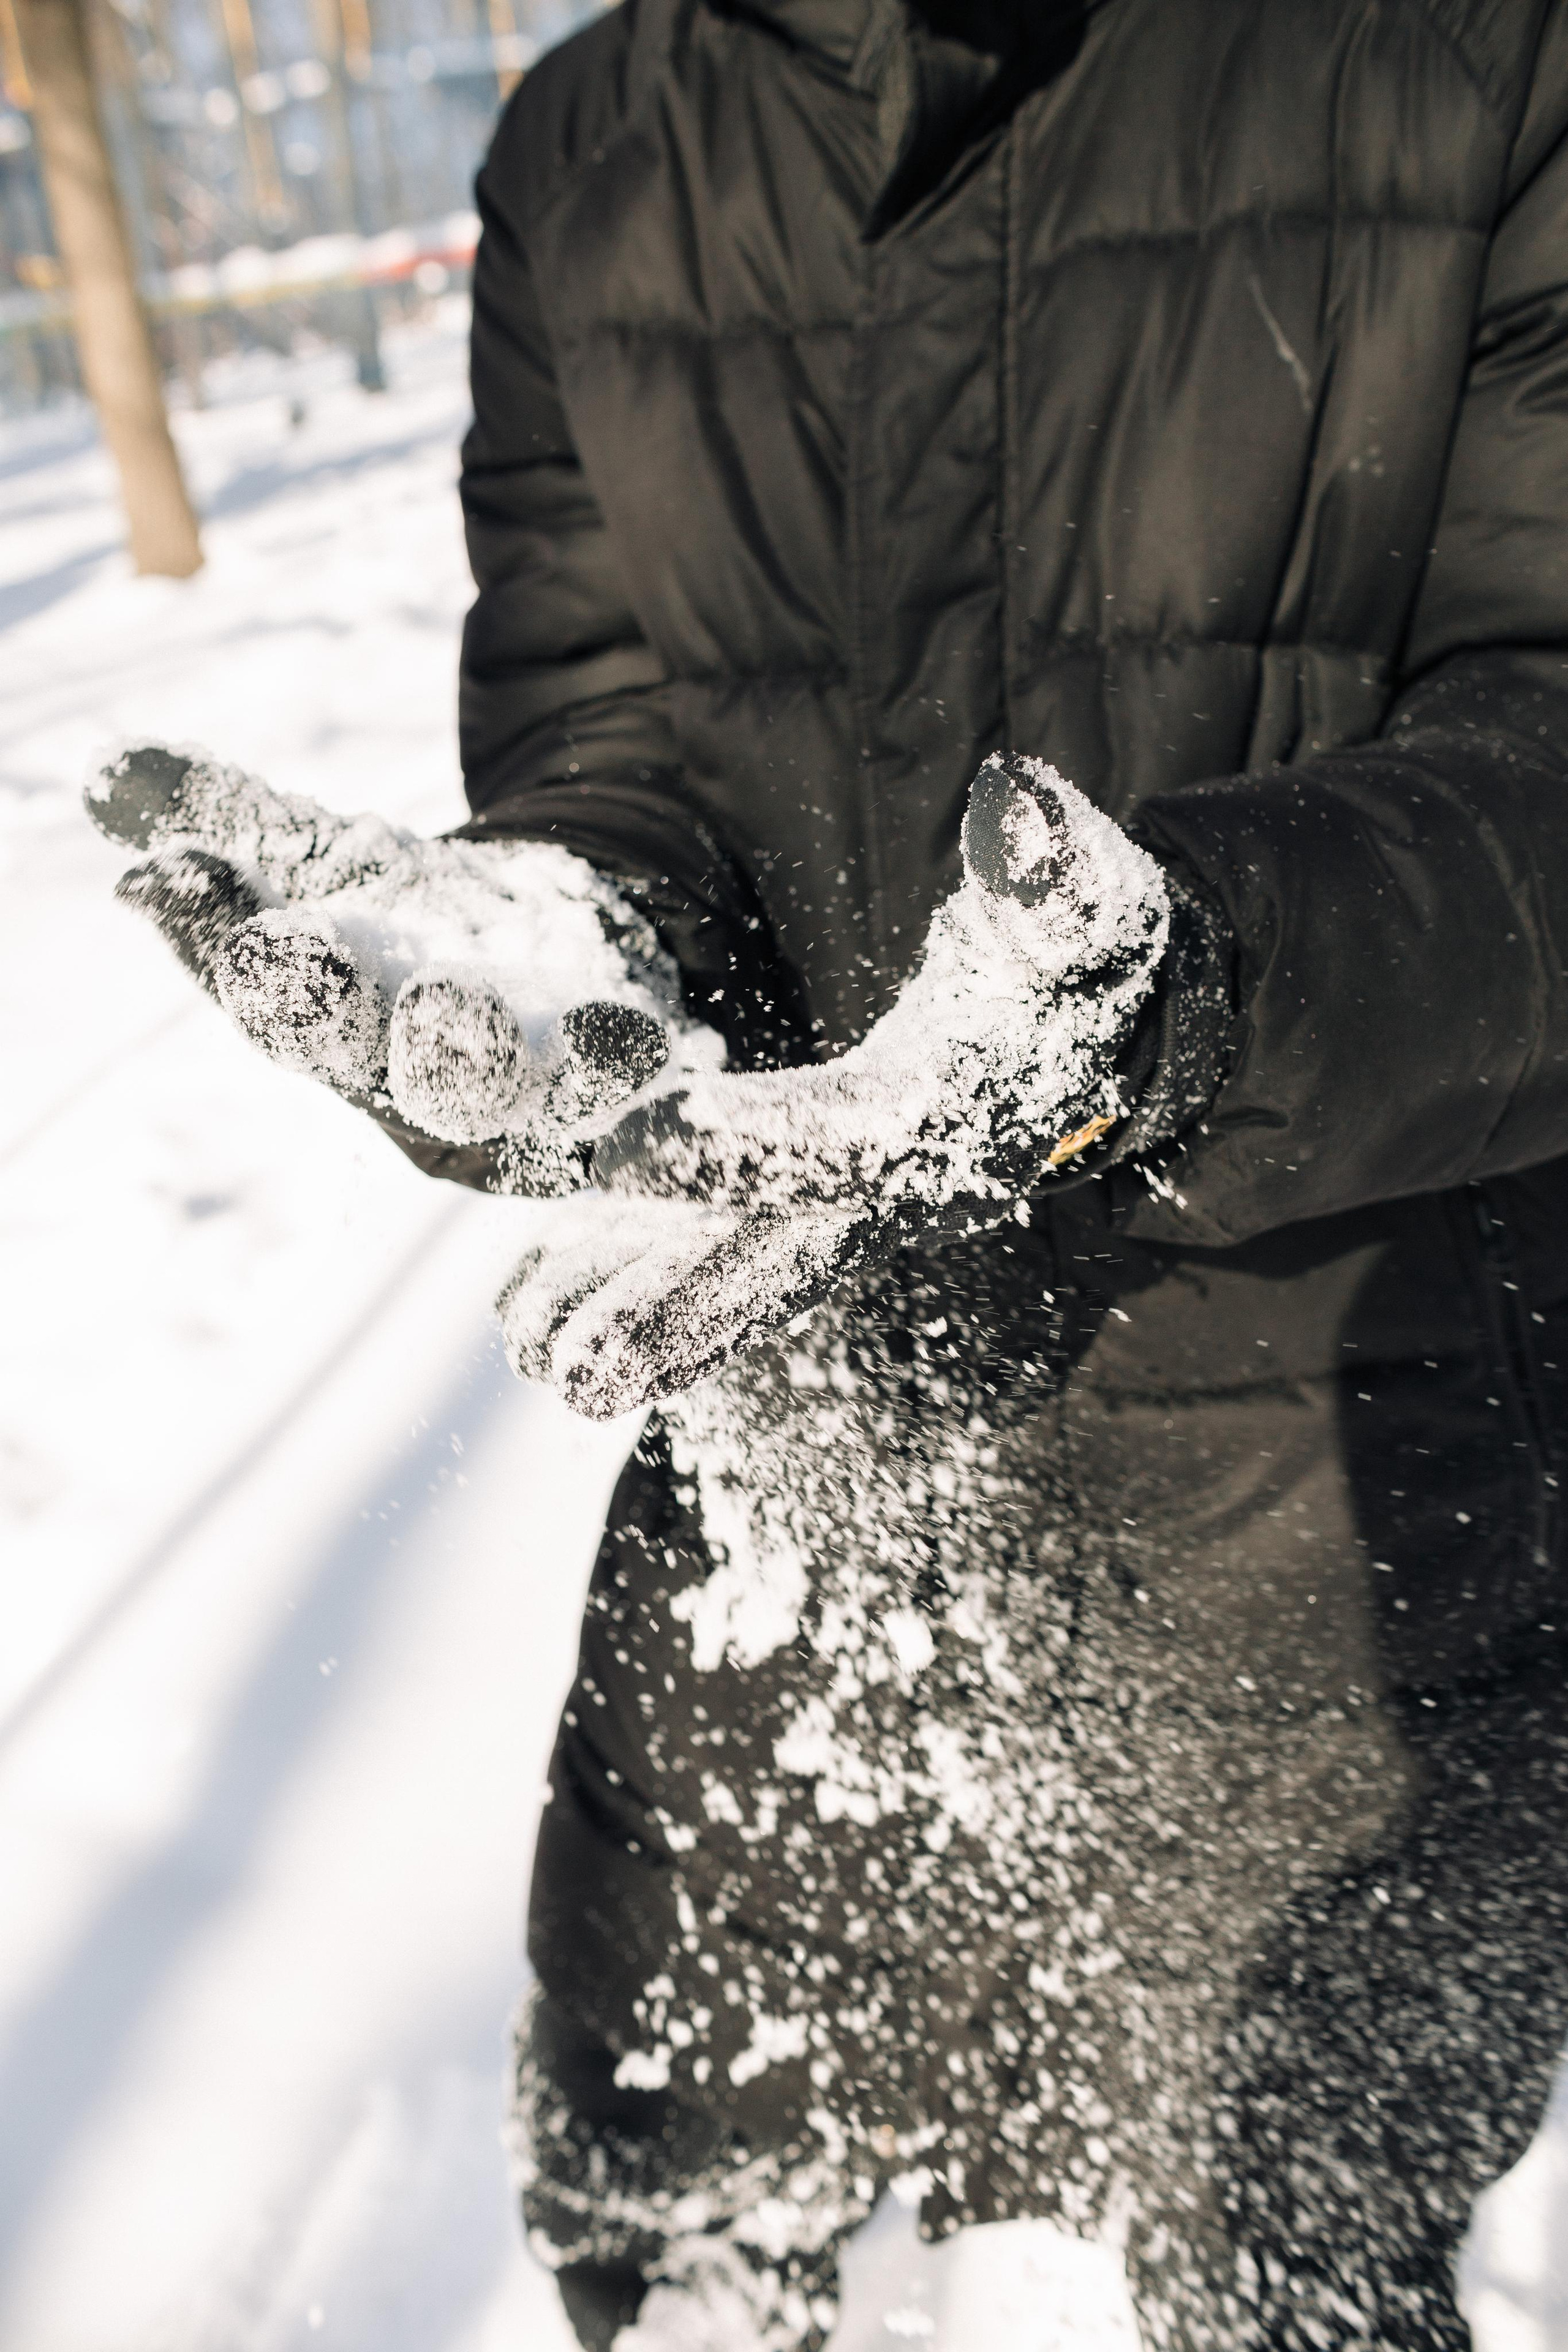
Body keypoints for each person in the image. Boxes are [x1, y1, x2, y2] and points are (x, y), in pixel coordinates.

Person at [90, 2, 1568, 2345]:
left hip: (1348, 1441)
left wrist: (1175, 997)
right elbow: (611, 731)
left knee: (1290, 2266)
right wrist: (570, 946)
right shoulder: (598, 141)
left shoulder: (1477, 50)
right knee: (670, 2201)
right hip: (802, 1429)